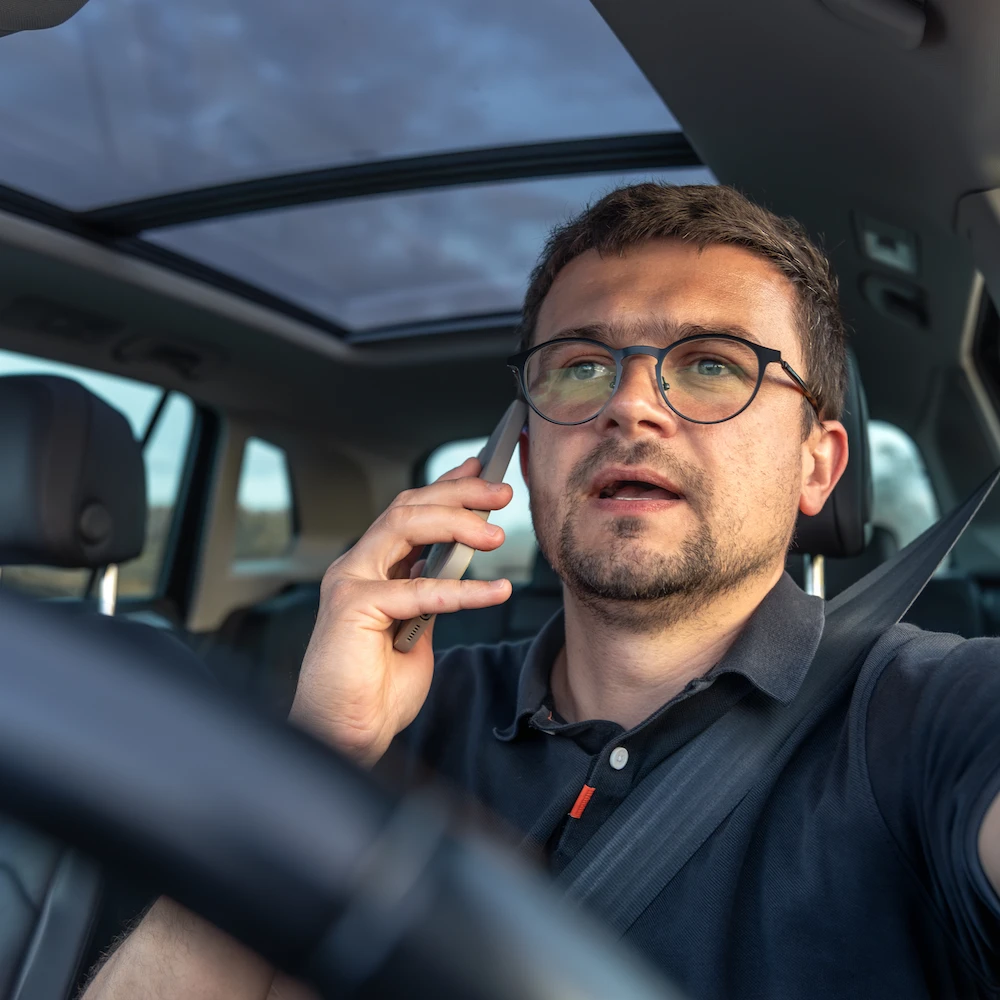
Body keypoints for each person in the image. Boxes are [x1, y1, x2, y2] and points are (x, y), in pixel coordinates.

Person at [82, 183, 1000, 1000]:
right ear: (522, 452)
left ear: (817, 465)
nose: (629, 405)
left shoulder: (934, 715)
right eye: (580, 366)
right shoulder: (398, 718)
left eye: (712, 364)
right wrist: (317, 752)